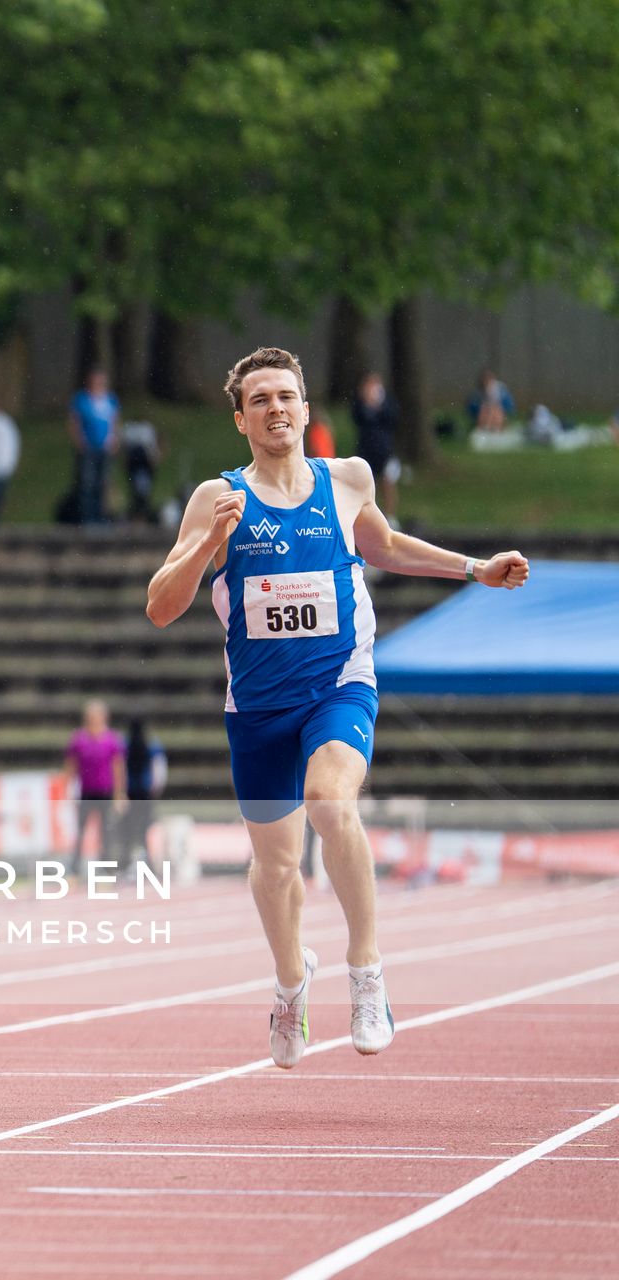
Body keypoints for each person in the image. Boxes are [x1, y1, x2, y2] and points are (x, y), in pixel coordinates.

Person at [146, 346, 529, 1070]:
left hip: (339, 685)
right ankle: (292, 981)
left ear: (305, 409)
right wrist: (205, 543)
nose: (276, 409)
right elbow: (161, 607)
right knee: (276, 868)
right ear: (241, 420)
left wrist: (472, 568)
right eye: (260, 400)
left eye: (286, 396)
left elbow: (383, 546)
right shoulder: (216, 497)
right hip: (257, 705)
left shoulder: (346, 478)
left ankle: (367, 972)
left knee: (330, 802)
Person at [63, 700, 125, 875]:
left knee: (106, 832)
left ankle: (106, 868)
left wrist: (119, 793)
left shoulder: (112, 739)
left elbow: (118, 767)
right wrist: (67, 789)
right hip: (86, 792)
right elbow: (71, 766)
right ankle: (75, 868)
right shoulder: (78, 739)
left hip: (105, 792)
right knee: (80, 831)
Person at [69, 369, 120, 524]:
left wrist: (114, 439)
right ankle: (87, 518)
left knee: (103, 483)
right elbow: (74, 422)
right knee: (87, 483)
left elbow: (114, 421)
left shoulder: (111, 400)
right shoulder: (82, 400)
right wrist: (79, 440)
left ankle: (101, 517)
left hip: (104, 448)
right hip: (88, 448)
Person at [118, 718, 168, 877]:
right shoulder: (152, 744)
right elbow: (160, 770)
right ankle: (147, 864)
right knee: (143, 829)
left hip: (131, 791)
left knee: (128, 829)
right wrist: (155, 790)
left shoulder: (124, 744)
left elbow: (119, 769)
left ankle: (127, 863)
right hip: (145, 792)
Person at [350, 373, 400, 517]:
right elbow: (357, 418)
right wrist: (366, 403)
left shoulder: (388, 403)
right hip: (366, 450)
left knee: (387, 482)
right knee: (367, 485)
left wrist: (377, 407)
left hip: (385, 450)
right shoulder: (359, 404)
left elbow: (392, 419)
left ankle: (390, 516)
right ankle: (367, 516)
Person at [121, 417, 163, 522]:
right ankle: (138, 515)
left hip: (143, 466)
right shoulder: (142, 430)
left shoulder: (137, 430)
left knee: (141, 492)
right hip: (138, 466)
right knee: (139, 492)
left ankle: (140, 515)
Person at [467, 369, 514, 435]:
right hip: (484, 412)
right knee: (485, 410)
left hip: (500, 412)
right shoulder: (477, 395)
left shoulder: (501, 391)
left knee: (495, 410)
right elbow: (472, 409)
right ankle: (485, 429)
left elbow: (507, 407)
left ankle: (496, 429)